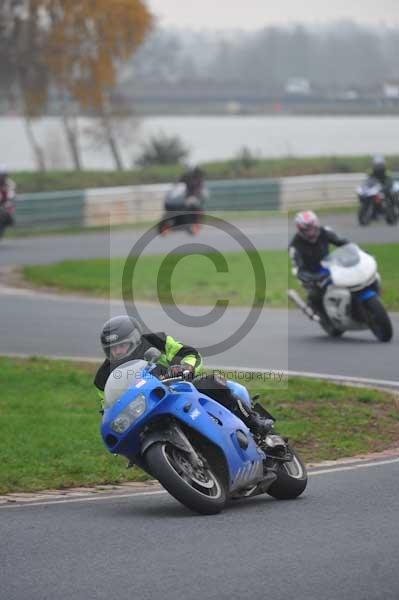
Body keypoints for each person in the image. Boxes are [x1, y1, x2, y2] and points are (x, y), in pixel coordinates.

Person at [94, 315, 273, 434]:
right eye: (112, 349)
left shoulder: (156, 341)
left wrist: (186, 368)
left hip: (179, 387)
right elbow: (108, 408)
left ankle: (254, 421)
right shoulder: (103, 378)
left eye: (121, 346)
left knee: (212, 382)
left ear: (134, 340)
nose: (117, 352)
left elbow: (190, 353)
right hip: (144, 409)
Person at [289, 211, 348, 318]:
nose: (311, 232)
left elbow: (342, 242)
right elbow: (297, 269)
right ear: (300, 230)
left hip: (329, 266)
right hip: (311, 274)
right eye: (307, 230)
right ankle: (317, 310)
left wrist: (357, 251)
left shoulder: (325, 231)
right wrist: (311, 278)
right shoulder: (295, 245)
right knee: (316, 293)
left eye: (313, 228)